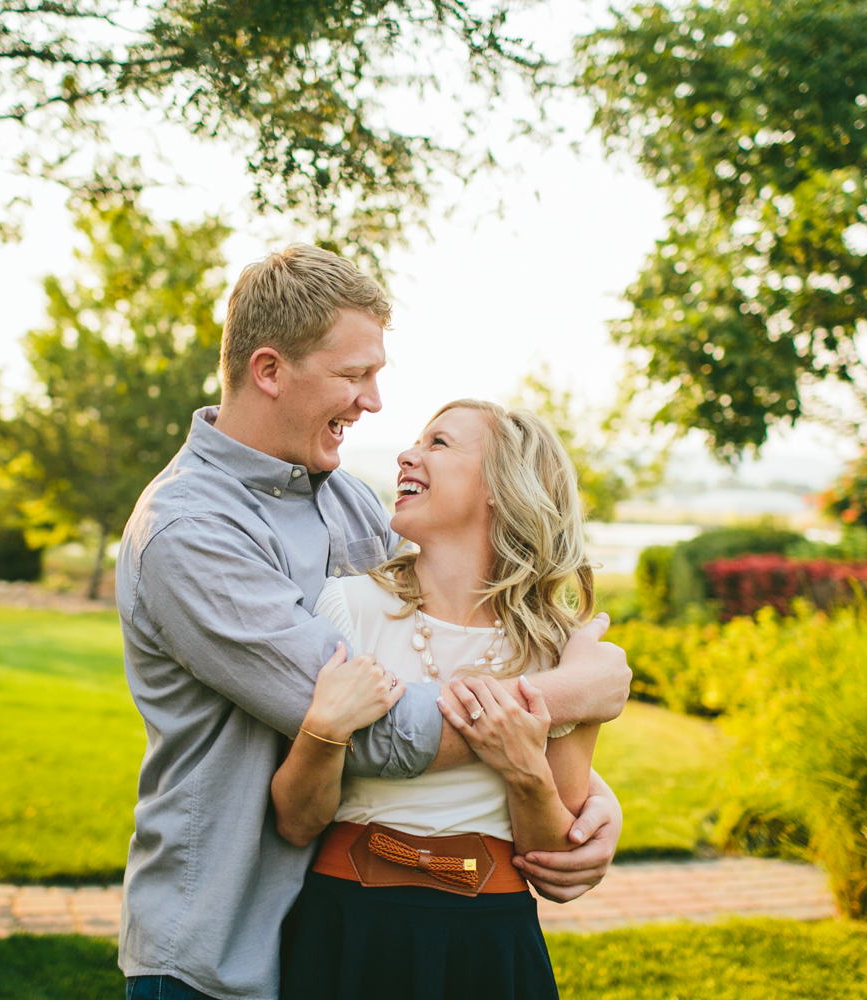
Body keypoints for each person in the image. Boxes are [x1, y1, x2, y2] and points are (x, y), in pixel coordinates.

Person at [115, 245, 632, 1000]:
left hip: (331, 934)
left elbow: (450, 633)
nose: (375, 402)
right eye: (354, 375)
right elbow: (379, 730)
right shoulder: (189, 530)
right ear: (269, 371)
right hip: (219, 947)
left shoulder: (347, 500)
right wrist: (568, 696)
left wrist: (586, 798)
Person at [273, 400, 599, 1000]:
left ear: (503, 487)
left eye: (440, 444)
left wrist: (526, 771)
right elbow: (296, 822)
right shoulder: (348, 607)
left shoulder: (562, 653)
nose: (407, 455)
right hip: (346, 928)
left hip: (489, 942)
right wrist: (325, 731)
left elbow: (554, 864)